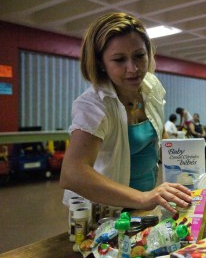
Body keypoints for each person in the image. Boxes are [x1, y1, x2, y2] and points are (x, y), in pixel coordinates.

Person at [59, 12, 192, 214]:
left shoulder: (151, 86)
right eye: (120, 59)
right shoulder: (94, 105)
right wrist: (143, 197)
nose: (134, 68)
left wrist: (190, 166)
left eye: (139, 55)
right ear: (101, 63)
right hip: (106, 213)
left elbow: (158, 136)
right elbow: (72, 173)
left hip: (146, 204)